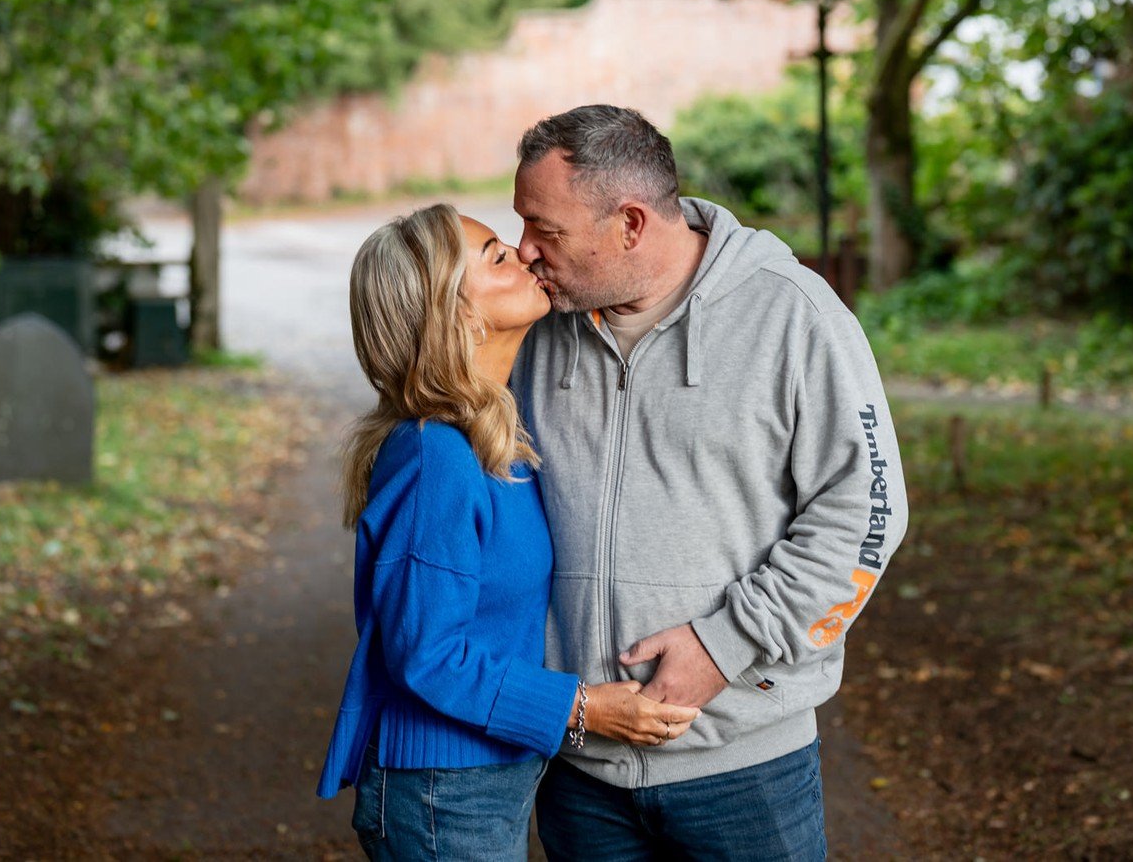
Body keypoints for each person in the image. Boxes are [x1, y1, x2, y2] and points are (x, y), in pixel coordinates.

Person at [511, 105, 908, 861]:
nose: (525, 251)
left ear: (630, 223)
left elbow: (867, 515)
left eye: (546, 230)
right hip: (578, 766)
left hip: (745, 772)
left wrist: (725, 645)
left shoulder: (795, 317)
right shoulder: (536, 326)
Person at [317, 203, 701, 861]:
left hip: (480, 780)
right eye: (496, 255)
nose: (524, 254)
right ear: (457, 315)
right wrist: (584, 709)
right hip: (442, 791)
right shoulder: (435, 458)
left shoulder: (493, 434)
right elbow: (427, 653)